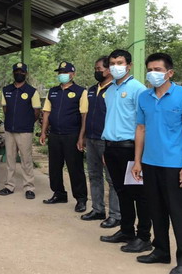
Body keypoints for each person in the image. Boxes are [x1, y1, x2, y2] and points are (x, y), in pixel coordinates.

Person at [133, 53, 182, 274]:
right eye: (150, 69)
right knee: (156, 210)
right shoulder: (144, 97)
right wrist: (138, 161)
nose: (153, 73)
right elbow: (140, 129)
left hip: (175, 165)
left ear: (169, 73)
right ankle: (161, 251)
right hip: (150, 163)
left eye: (158, 69)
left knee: (179, 214)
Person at [99, 49, 151, 254]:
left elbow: (143, 124)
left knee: (139, 194)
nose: (115, 67)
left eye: (120, 63)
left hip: (130, 149)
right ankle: (126, 230)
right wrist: (106, 148)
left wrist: (139, 156)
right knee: (121, 191)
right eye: (112, 63)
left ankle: (144, 237)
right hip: (111, 147)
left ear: (129, 66)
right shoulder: (110, 90)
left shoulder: (138, 89)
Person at [40, 61, 88, 212]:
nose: (62, 75)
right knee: (54, 167)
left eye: (65, 72)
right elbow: (46, 112)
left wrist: (81, 137)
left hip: (72, 135)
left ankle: (81, 199)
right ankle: (59, 193)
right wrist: (43, 132)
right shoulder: (53, 92)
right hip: (55, 134)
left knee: (75, 168)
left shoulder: (81, 91)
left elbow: (84, 115)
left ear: (73, 74)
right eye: (60, 73)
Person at [78, 57, 121, 228]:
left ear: (109, 70)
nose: (96, 71)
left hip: (107, 140)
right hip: (91, 138)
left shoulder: (115, 89)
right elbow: (86, 115)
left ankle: (116, 215)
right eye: (95, 68)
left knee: (111, 178)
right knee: (94, 175)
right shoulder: (91, 90)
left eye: (99, 69)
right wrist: (82, 136)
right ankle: (98, 209)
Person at [0, 62, 41, 199]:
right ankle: (9, 186)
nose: (19, 74)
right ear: (13, 73)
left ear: (26, 73)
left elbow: (36, 112)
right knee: (10, 159)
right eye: (16, 71)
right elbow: (5, 109)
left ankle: (29, 188)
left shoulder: (32, 91)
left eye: (22, 72)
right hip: (9, 130)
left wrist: (26, 122)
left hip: (25, 131)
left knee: (26, 160)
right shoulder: (6, 90)